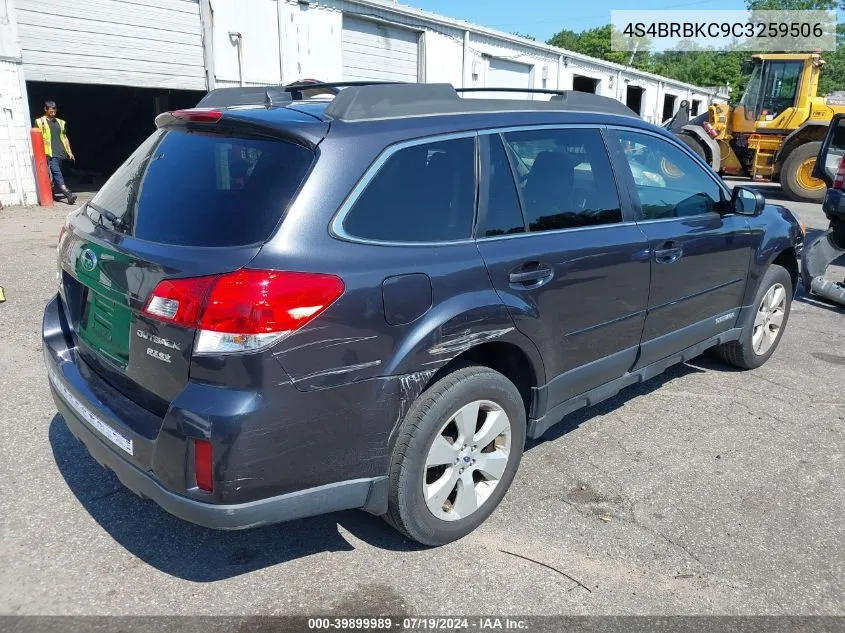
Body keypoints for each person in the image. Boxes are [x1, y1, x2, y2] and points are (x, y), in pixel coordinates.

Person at [35, 100, 77, 204]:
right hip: (49, 152)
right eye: (50, 111)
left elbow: (65, 137)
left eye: (54, 111)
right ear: (45, 110)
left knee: (54, 175)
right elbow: (37, 137)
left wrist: (69, 152)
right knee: (56, 172)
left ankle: (52, 193)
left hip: (60, 152)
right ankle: (67, 192)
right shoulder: (40, 122)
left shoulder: (60, 122)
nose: (53, 113)